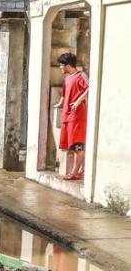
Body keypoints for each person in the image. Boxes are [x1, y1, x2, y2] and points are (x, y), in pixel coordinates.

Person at [54, 53, 89, 181]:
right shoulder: (67, 79)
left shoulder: (81, 76)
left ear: (68, 66)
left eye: (61, 65)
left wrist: (79, 101)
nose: (60, 68)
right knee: (69, 147)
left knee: (77, 147)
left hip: (78, 117)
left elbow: (90, 87)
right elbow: (64, 95)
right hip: (66, 117)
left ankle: (75, 172)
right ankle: (81, 170)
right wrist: (59, 104)